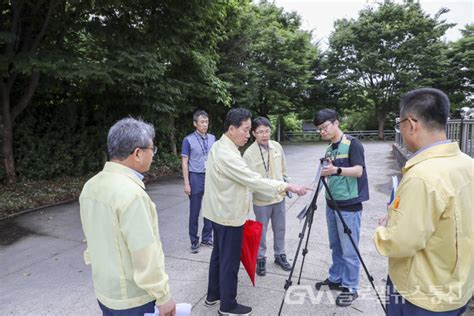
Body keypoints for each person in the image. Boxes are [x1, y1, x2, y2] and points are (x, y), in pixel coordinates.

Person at [373, 88, 473, 315]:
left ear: (411, 123)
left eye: (399, 124)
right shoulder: (467, 163)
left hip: (422, 295)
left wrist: (381, 231)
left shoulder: (422, 176)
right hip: (459, 287)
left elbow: (401, 242)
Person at [202, 108, 311, 316]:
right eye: (245, 130)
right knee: (229, 261)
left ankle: (213, 294)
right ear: (231, 129)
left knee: (218, 256)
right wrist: (286, 187)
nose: (248, 134)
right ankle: (228, 305)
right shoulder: (228, 154)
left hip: (218, 211)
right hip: (228, 215)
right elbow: (253, 180)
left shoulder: (220, 146)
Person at [79, 118, 176, 316]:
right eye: (152, 149)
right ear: (138, 153)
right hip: (133, 299)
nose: (153, 155)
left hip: (105, 292)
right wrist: (163, 296)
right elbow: (145, 255)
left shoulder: (91, 186)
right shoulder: (132, 194)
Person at [313, 109, 369, 307]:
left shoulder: (353, 144)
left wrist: (336, 170)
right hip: (331, 204)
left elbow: (358, 171)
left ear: (336, 123)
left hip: (349, 206)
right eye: (319, 129)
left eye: (325, 127)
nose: (322, 132)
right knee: (335, 245)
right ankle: (336, 277)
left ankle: (351, 287)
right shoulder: (329, 149)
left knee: (349, 248)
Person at [243, 117, 292, 276]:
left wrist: (287, 183)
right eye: (260, 132)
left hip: (279, 197)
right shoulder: (249, 154)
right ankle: (260, 258)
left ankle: (280, 254)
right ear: (253, 133)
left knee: (280, 228)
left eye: (266, 131)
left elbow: (284, 169)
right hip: (262, 200)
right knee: (261, 231)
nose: (264, 135)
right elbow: (249, 180)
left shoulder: (277, 146)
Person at [181, 110, 216, 254]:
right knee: (194, 211)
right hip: (195, 176)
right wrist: (186, 183)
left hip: (210, 177)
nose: (205, 125)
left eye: (206, 122)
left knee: (210, 209)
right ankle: (194, 240)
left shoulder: (213, 138)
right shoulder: (188, 140)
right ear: (195, 123)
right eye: (202, 122)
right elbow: (184, 162)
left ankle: (207, 237)